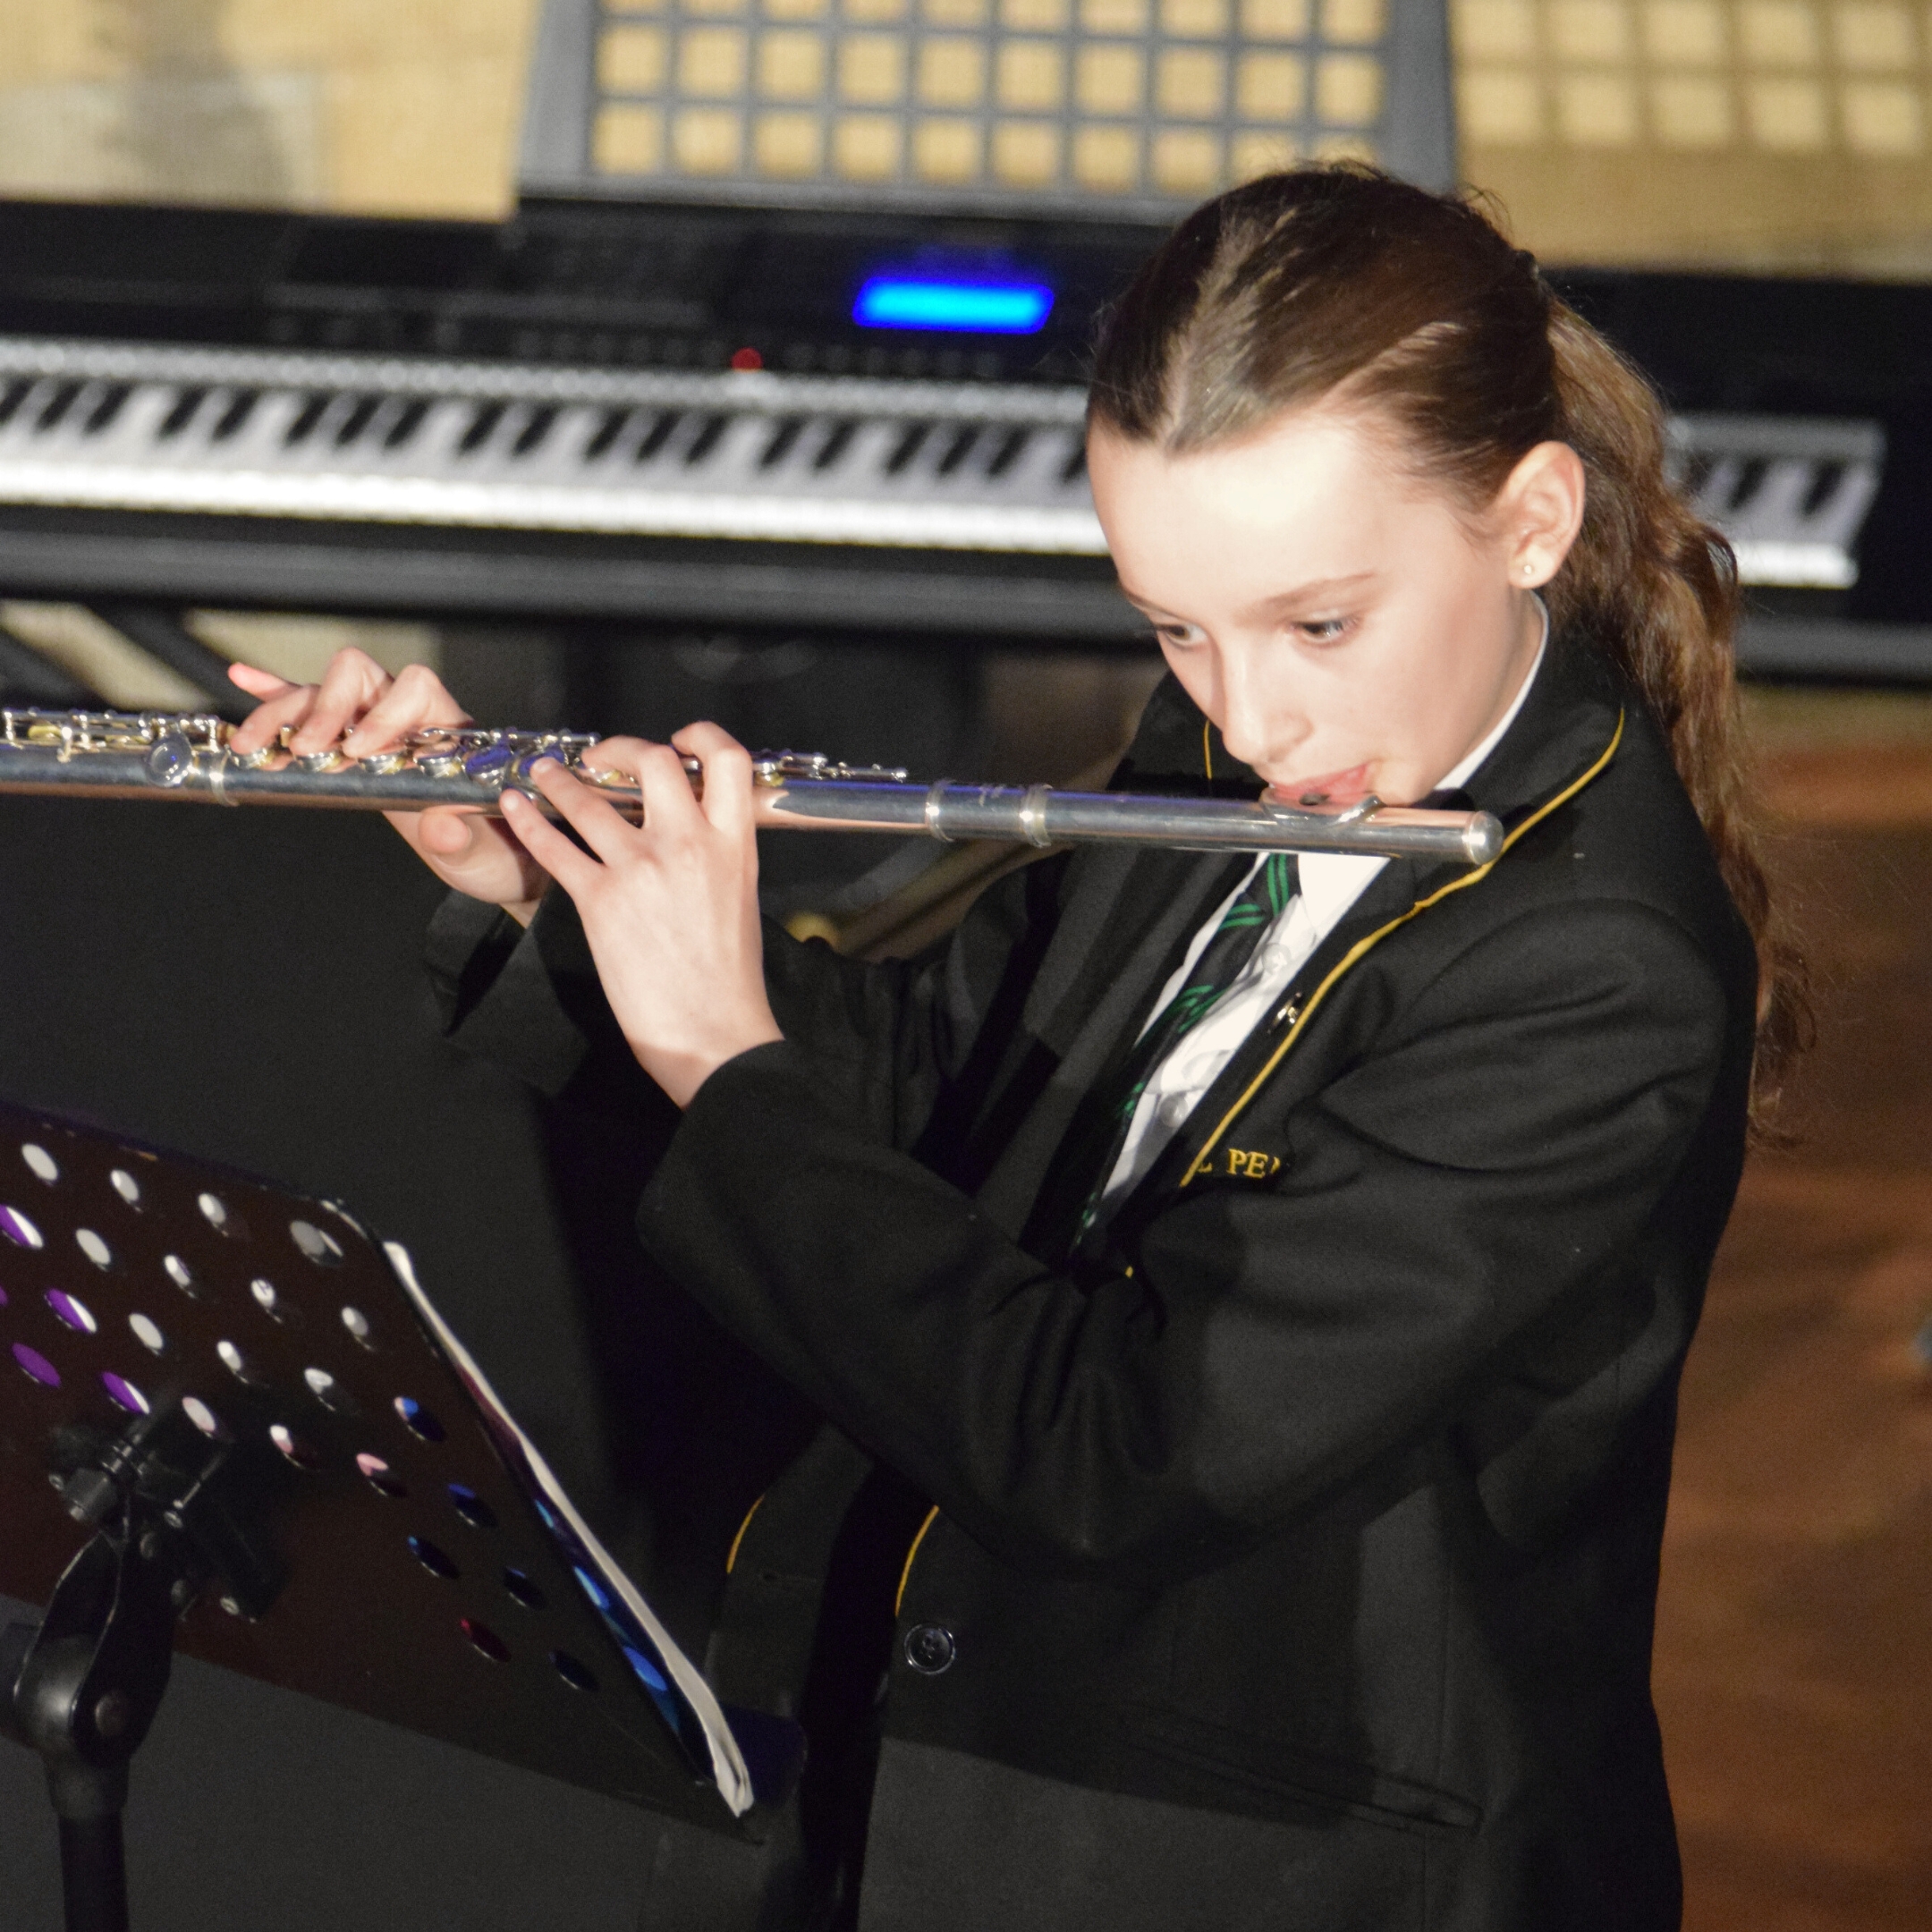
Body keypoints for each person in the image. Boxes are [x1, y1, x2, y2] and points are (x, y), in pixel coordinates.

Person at [229, 166, 1804, 1931]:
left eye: (1319, 623)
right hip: (972, 1760)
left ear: (1529, 521)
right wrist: (557, 898)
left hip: (1280, 1862)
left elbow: (1117, 1454)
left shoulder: (1599, 975)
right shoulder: (1242, 744)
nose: (1251, 719)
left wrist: (722, 1055)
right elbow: (944, 1078)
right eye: (1175, 628)